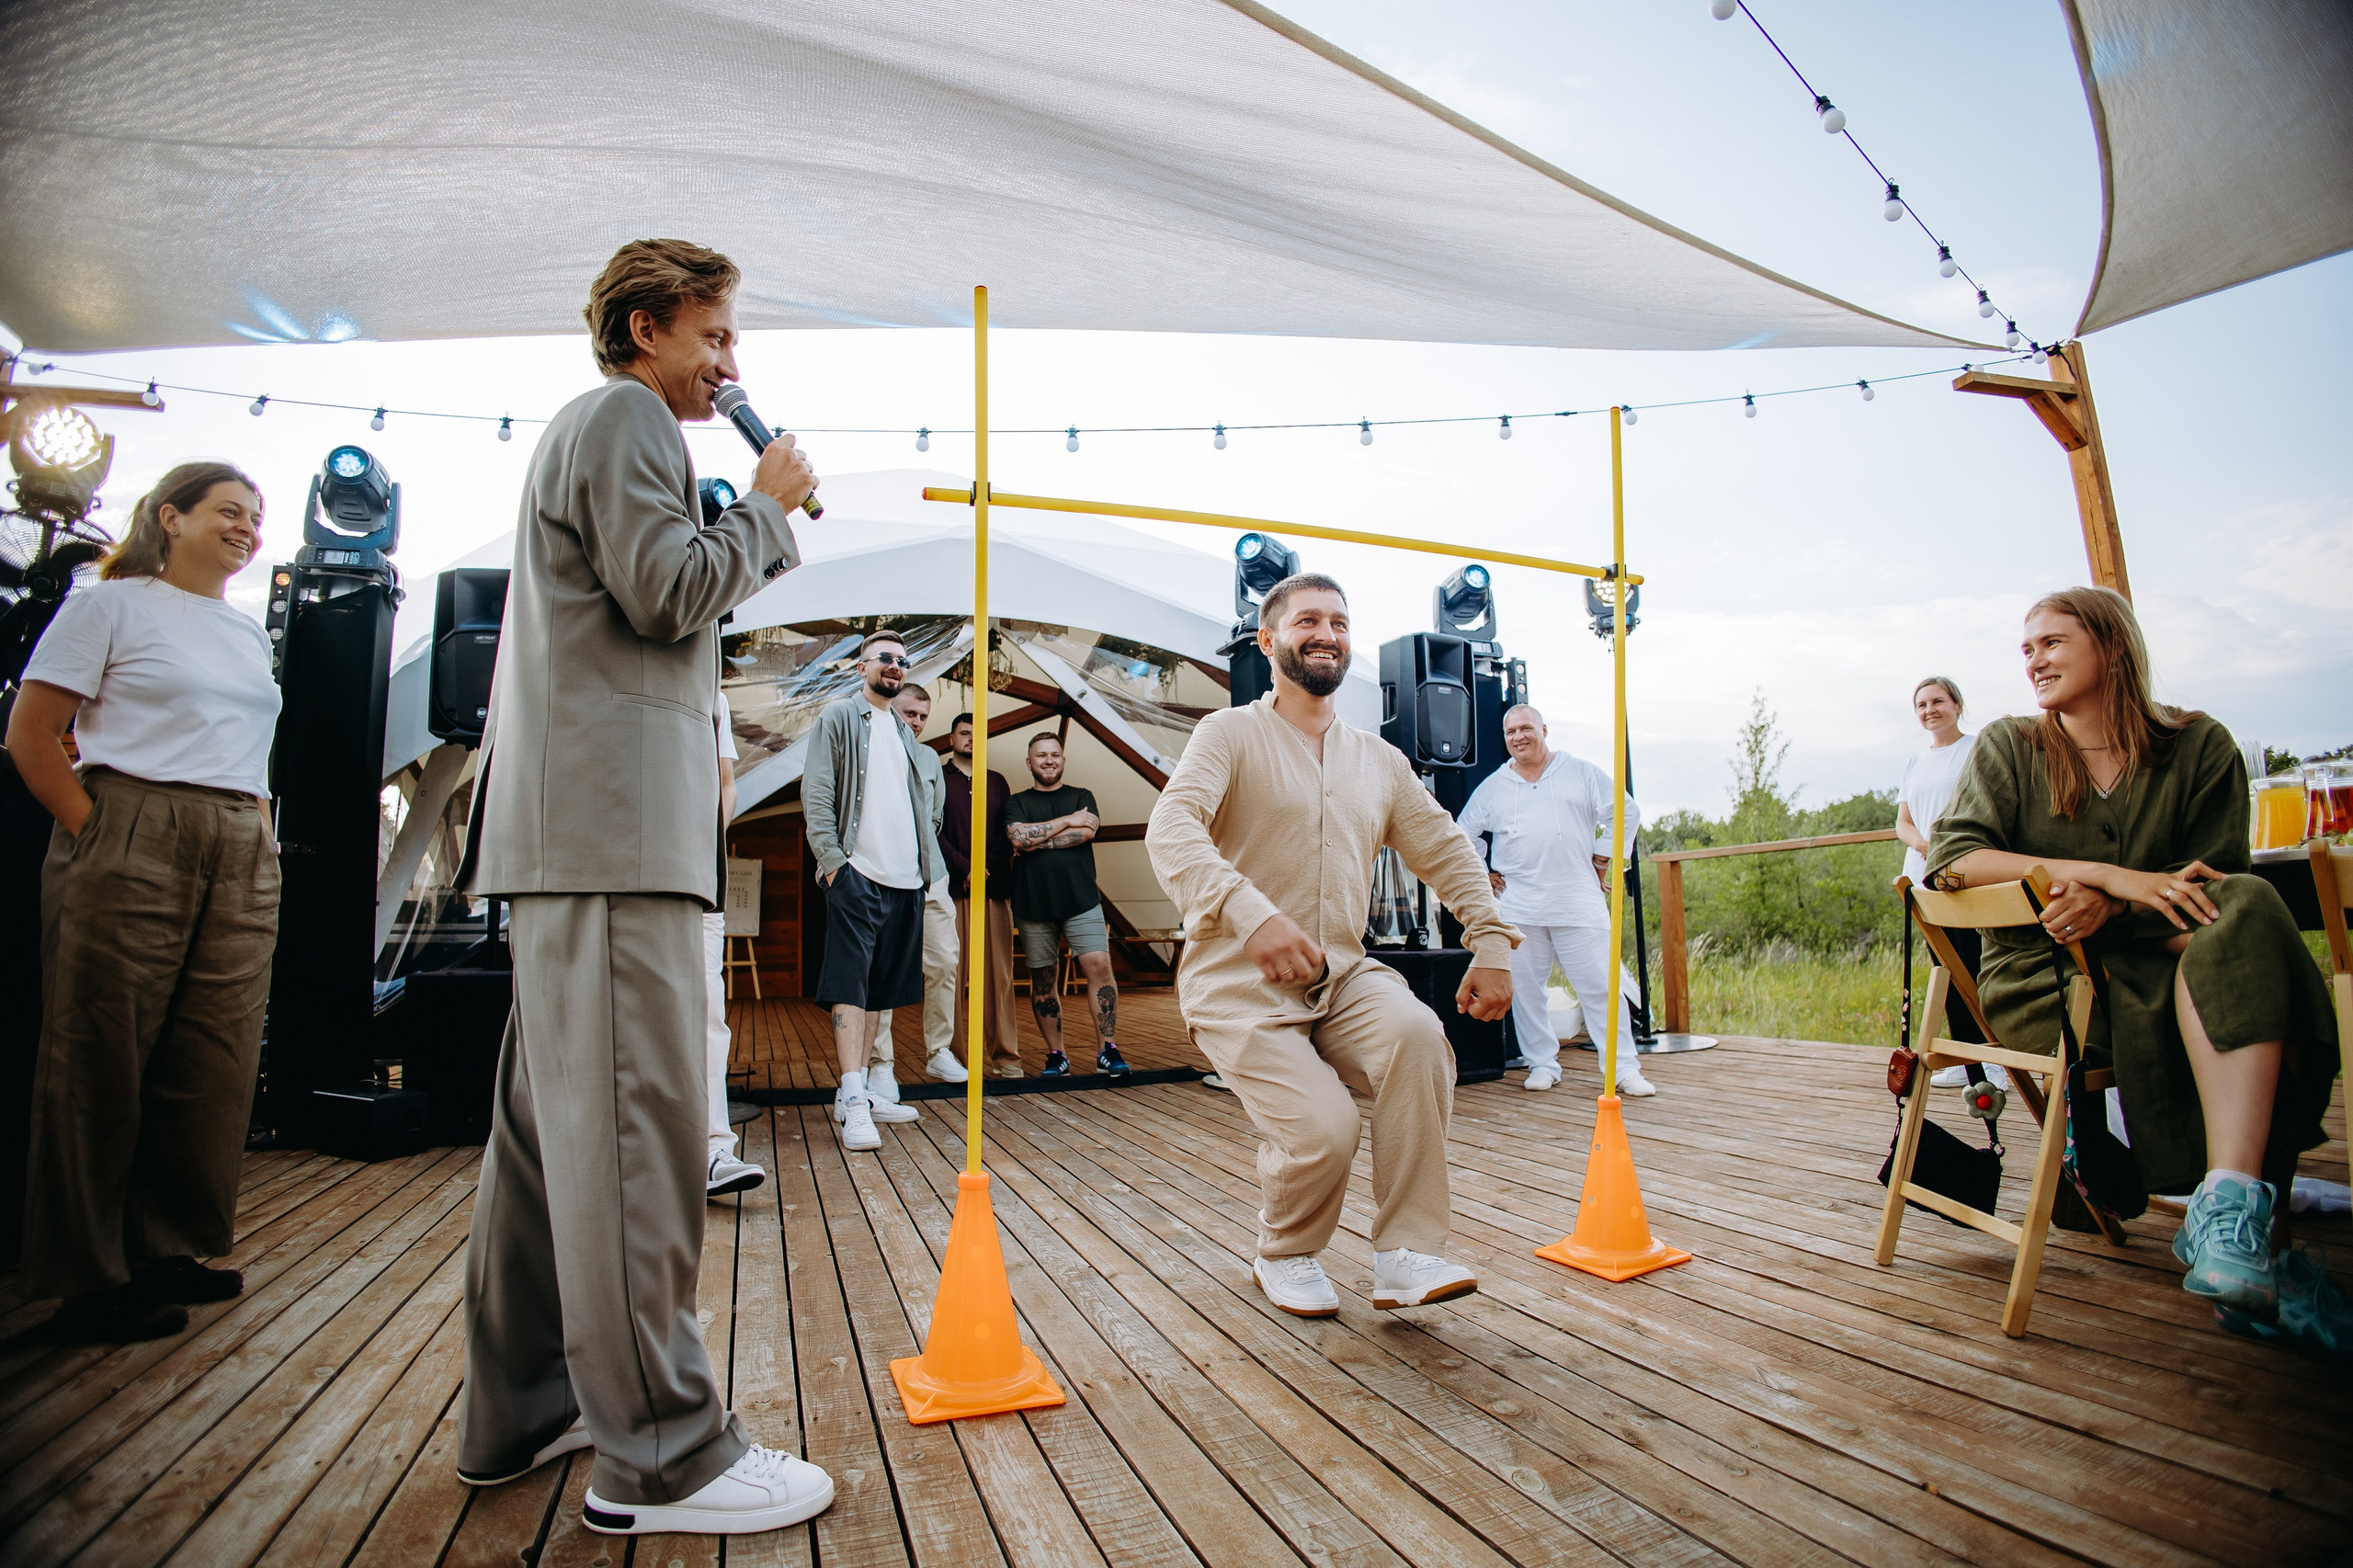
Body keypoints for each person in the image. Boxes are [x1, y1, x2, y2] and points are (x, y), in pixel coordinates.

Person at [452, 239, 833, 1536]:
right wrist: (767, 503)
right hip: (612, 841)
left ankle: (526, 1402)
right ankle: (662, 1455)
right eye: (713, 337)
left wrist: (742, 511)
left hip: (579, 840)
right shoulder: (623, 417)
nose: (731, 367)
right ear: (641, 328)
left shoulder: (598, 429)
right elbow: (669, 592)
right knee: (630, 1142)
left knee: (550, 1146)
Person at [1928, 586, 2341, 1351]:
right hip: (2052, 982)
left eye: (2052, 642)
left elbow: (2212, 893)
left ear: (2112, 644)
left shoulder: (2197, 745)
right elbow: (1955, 861)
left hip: (2177, 957)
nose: (2034, 660)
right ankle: (2260, 1244)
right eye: (2026, 648)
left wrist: (2115, 912)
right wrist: (2104, 877)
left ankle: (2227, 1220)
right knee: (2255, 989)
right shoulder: (2013, 747)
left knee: (2246, 916)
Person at [1148, 573, 1516, 1318]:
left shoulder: (1377, 759)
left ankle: (1406, 1253)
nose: (1327, 633)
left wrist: (1493, 940)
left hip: (1343, 975)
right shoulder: (1228, 734)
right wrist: (1248, 913)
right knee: (1326, 1128)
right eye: (1307, 619)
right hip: (1237, 983)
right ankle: (1282, 1253)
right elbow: (1173, 827)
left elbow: (1444, 848)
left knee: (1418, 1034)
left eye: (1339, 622)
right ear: (1269, 640)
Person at [7, 461, 280, 1345]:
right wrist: (94, 831)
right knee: (101, 1052)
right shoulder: (109, 603)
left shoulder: (245, 633)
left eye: (256, 516)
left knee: (213, 1054)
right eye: (227, 511)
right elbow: (31, 732)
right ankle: (86, 1280)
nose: (247, 527)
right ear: (170, 516)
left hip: (238, 833)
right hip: (134, 817)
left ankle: (167, 1248)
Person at [1456, 704, 1651, 1096]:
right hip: (1520, 904)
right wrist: (1484, 873)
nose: (1518, 737)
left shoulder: (1579, 772)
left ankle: (1623, 1068)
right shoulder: (1494, 786)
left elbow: (1625, 810)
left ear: (1543, 729)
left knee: (1600, 986)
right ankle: (1542, 1063)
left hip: (1577, 898)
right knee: (1527, 989)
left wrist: (1603, 853)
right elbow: (1462, 833)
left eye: (1525, 728)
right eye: (1510, 732)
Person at [801, 630, 943, 1150]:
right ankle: (856, 1098)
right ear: (861, 667)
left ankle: (853, 1094)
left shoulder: (905, 734)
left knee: (879, 992)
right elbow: (817, 790)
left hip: (904, 879)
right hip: (857, 873)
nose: (895, 666)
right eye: (884, 658)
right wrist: (834, 864)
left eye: (902, 661)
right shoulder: (839, 717)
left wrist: (924, 871)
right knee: (850, 987)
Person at [1006, 733, 1129, 1078]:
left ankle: (1108, 1049)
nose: (1049, 760)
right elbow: (1016, 838)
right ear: (1029, 763)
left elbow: (1086, 833)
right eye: (1041, 755)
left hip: (1081, 900)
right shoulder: (1017, 801)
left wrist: (1036, 839)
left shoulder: (1082, 796)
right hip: (1032, 904)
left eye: (1055, 755)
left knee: (1099, 967)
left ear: (1063, 760)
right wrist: (1066, 822)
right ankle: (1056, 1054)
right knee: (1044, 980)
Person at [1894, 676, 1997, 1085]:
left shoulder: (1974, 750)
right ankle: (1963, 1062)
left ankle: (1991, 1062)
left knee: (1973, 965)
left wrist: (1943, 849)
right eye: (1921, 705)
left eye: (1938, 701)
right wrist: (1923, 845)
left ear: (1957, 705)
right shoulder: (1915, 762)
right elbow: (1902, 823)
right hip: (1922, 875)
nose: (1929, 710)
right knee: (1943, 966)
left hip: (1960, 874)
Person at [870, 681, 966, 1096]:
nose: (918, 723)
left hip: (931, 874)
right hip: (883, 873)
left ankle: (939, 1050)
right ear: (893, 708)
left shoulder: (930, 758)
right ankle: (880, 1064)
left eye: (924, 717)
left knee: (946, 961)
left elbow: (936, 818)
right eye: (911, 714)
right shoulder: (872, 746)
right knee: (885, 968)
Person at [704, 683, 764, 1197]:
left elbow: (726, 783)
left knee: (707, 1014)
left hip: (698, 876)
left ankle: (712, 1149)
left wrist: (704, 848)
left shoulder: (711, 695)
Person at [941, 711, 1021, 1077]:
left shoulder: (997, 781)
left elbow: (1006, 832)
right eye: (965, 733)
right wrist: (965, 868)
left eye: (978, 734)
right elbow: (932, 831)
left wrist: (985, 868)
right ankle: (956, 1059)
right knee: (952, 976)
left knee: (998, 978)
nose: (972, 739)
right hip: (953, 890)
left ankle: (1005, 1056)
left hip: (993, 890)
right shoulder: (939, 779)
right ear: (952, 739)